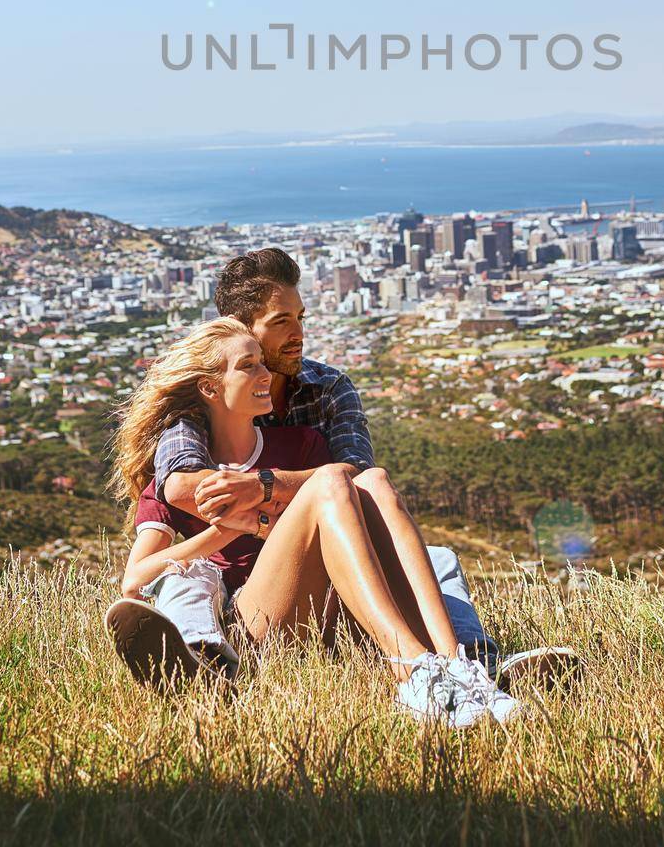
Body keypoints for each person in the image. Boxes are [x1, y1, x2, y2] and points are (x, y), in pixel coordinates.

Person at [153, 247, 577, 691]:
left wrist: (263, 486)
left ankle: (466, 663)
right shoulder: (203, 405)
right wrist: (279, 511)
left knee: (418, 536)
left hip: (340, 585)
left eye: (301, 317)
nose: (298, 333)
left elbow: (359, 478)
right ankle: (423, 670)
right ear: (241, 332)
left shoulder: (326, 387)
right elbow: (181, 486)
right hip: (263, 599)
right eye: (281, 322)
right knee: (336, 482)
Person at [106, 315, 519, 727]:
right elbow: (135, 580)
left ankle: (455, 665)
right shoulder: (180, 477)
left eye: (262, 363)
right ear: (210, 387)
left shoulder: (302, 446)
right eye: (248, 365)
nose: (265, 374)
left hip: (334, 612)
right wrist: (226, 531)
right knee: (333, 478)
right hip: (261, 623)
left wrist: (262, 490)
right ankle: (413, 668)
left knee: (371, 478)